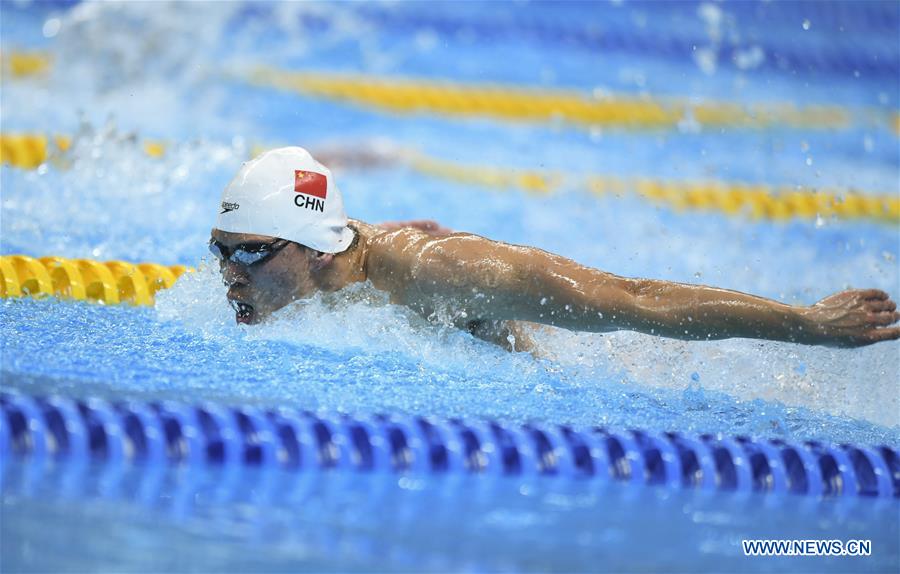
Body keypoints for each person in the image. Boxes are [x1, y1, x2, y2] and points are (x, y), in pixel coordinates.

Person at [209, 147, 899, 351]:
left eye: (247, 256)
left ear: (317, 251)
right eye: (220, 252)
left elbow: (635, 300)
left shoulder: (444, 272)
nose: (228, 277)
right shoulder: (310, 264)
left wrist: (809, 324)